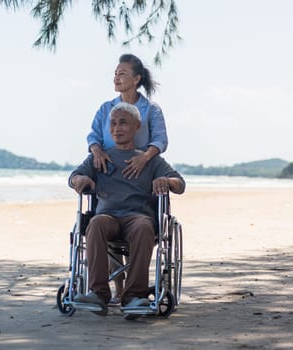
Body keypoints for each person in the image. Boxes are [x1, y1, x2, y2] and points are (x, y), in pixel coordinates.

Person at [70, 102, 185, 319]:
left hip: (138, 217)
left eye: (123, 123)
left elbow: (180, 184)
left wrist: (166, 180)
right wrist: (80, 178)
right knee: (95, 223)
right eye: (113, 123)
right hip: (108, 217)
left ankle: (133, 296)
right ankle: (98, 293)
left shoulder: (150, 160)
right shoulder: (100, 157)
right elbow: (73, 177)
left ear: (137, 127)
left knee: (143, 226)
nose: (117, 128)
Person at [87, 53, 169, 304]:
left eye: (122, 73)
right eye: (115, 73)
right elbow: (93, 137)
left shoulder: (150, 109)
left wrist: (144, 159)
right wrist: (98, 152)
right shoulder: (105, 108)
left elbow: (160, 140)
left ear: (137, 79)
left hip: (140, 171)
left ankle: (131, 292)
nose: (116, 77)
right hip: (110, 170)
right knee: (104, 219)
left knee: (139, 224)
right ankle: (116, 288)